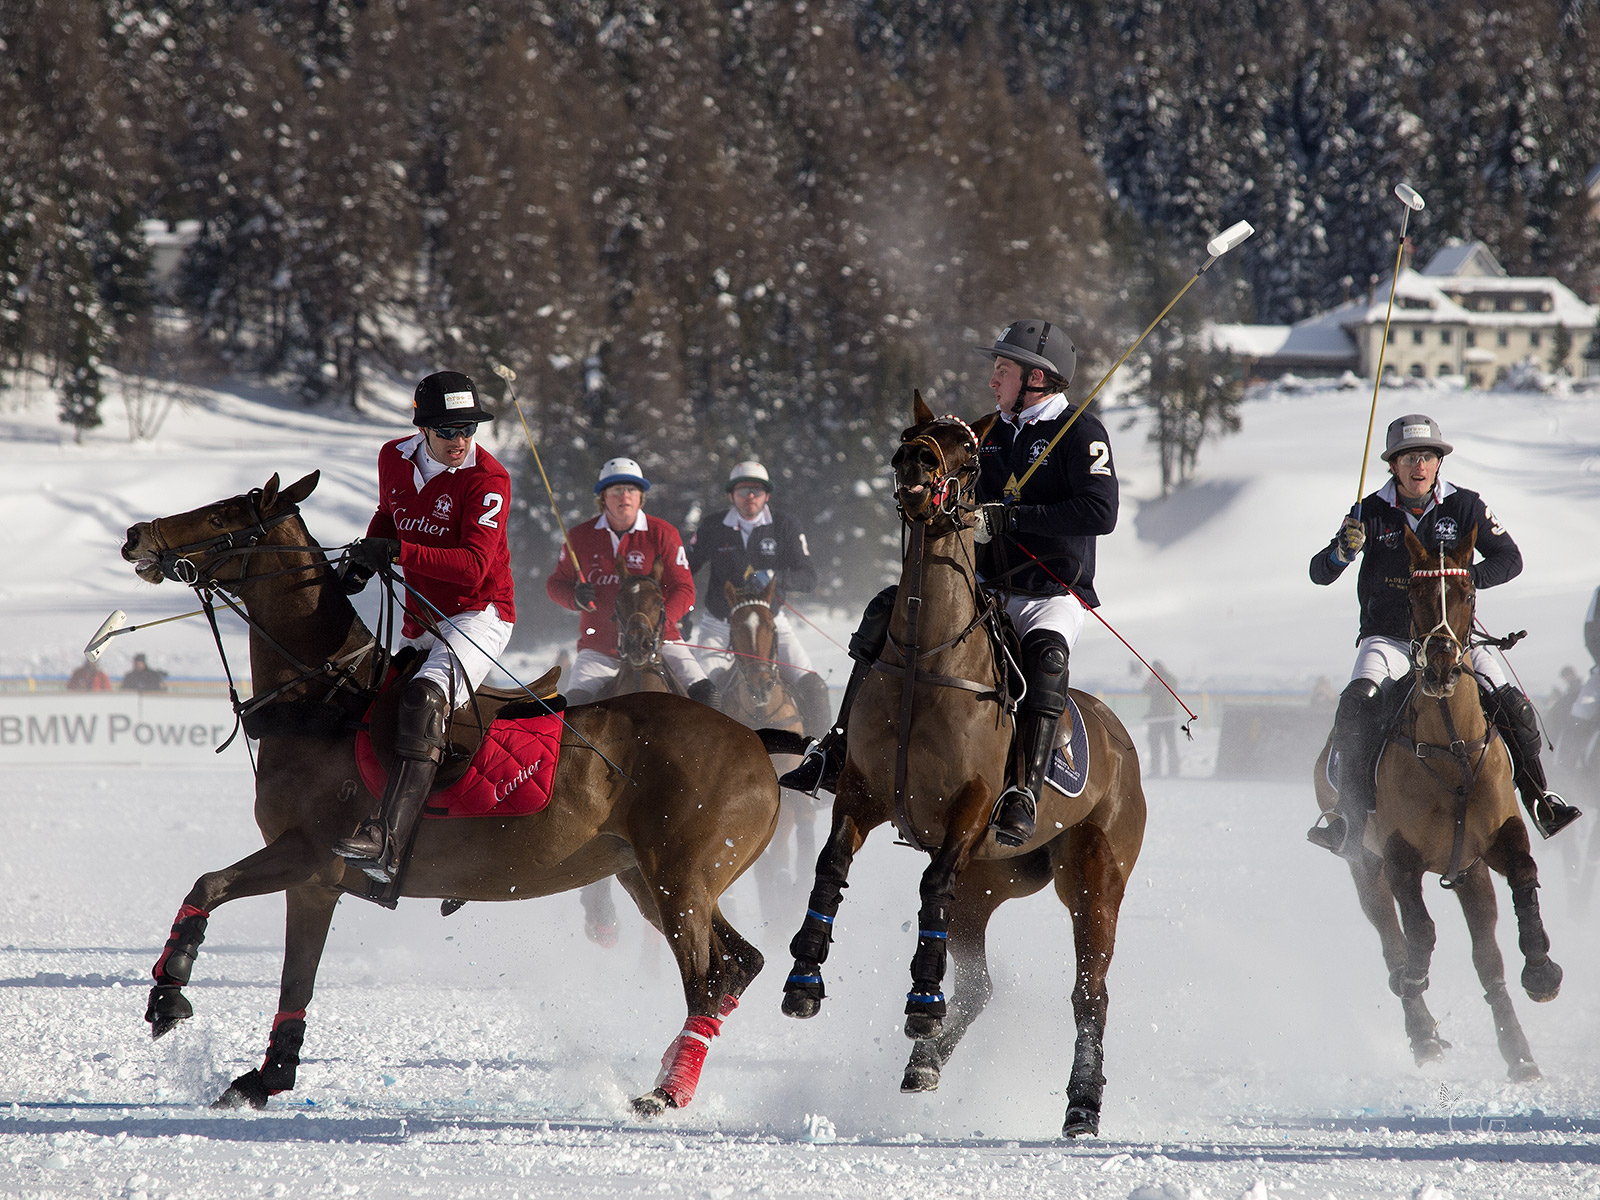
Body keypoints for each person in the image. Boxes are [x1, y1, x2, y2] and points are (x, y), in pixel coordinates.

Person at [781, 317, 1118, 847]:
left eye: (1003, 370)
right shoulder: (988, 435)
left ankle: (1023, 793)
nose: (993, 380)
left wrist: (1010, 518)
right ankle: (837, 748)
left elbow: (1100, 512)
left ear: (1035, 377)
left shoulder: (1080, 431)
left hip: (1050, 592)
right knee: (885, 611)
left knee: (1048, 661)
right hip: (983, 584)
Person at [1306, 413, 1580, 858]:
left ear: (1438, 462)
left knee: (1512, 705)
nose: (1420, 465)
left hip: (1454, 642)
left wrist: (1464, 579)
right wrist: (1341, 551)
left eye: (1428, 456)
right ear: (1393, 465)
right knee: (1355, 707)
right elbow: (1319, 573)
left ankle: (1539, 799)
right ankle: (1350, 820)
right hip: (1389, 639)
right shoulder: (1368, 512)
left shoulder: (1465, 506)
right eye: (1409, 457)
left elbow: (1510, 559)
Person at [333, 370, 515, 883]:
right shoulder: (393, 456)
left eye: (468, 429)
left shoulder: (488, 479)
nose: (460, 441)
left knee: (423, 699)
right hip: (421, 617)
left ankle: (386, 844)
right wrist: (367, 556)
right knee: (373, 703)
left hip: (479, 614)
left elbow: (473, 567)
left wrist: (396, 551)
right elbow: (388, 513)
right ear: (423, 429)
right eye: (448, 430)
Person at [546, 456, 718, 708]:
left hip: (660, 642)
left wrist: (661, 622)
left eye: (631, 489)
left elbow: (684, 589)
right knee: (573, 710)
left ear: (641, 496)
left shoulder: (662, 533)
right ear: (603, 496)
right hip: (600, 648)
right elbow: (555, 584)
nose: (624, 495)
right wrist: (574, 597)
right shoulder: (580, 536)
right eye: (617, 489)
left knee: (708, 696)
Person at [686, 460, 831, 737]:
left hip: (769, 623)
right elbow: (684, 570)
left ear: (767, 495)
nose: (750, 496)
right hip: (720, 624)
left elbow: (809, 578)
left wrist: (776, 576)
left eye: (757, 490)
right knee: (703, 690)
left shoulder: (784, 525)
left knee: (813, 686)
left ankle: (821, 752)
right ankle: (697, 753)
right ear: (731, 496)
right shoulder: (713, 525)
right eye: (743, 490)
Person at [1143, 661, 1179, 778]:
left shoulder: (1169, 679)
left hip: (1168, 716)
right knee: (1154, 745)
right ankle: (1155, 770)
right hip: (1155, 717)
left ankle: (1174, 770)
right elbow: (1145, 691)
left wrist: (1159, 681)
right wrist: (1150, 683)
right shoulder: (1153, 679)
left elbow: (1171, 686)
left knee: (1171, 744)